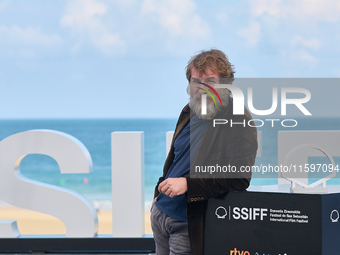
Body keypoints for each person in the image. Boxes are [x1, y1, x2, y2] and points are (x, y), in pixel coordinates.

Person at [150, 49, 258, 255]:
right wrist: (158, 193)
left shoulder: (238, 119)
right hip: (161, 214)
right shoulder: (189, 111)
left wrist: (188, 184)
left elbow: (239, 178)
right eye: (196, 81)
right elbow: (177, 159)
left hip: (189, 224)